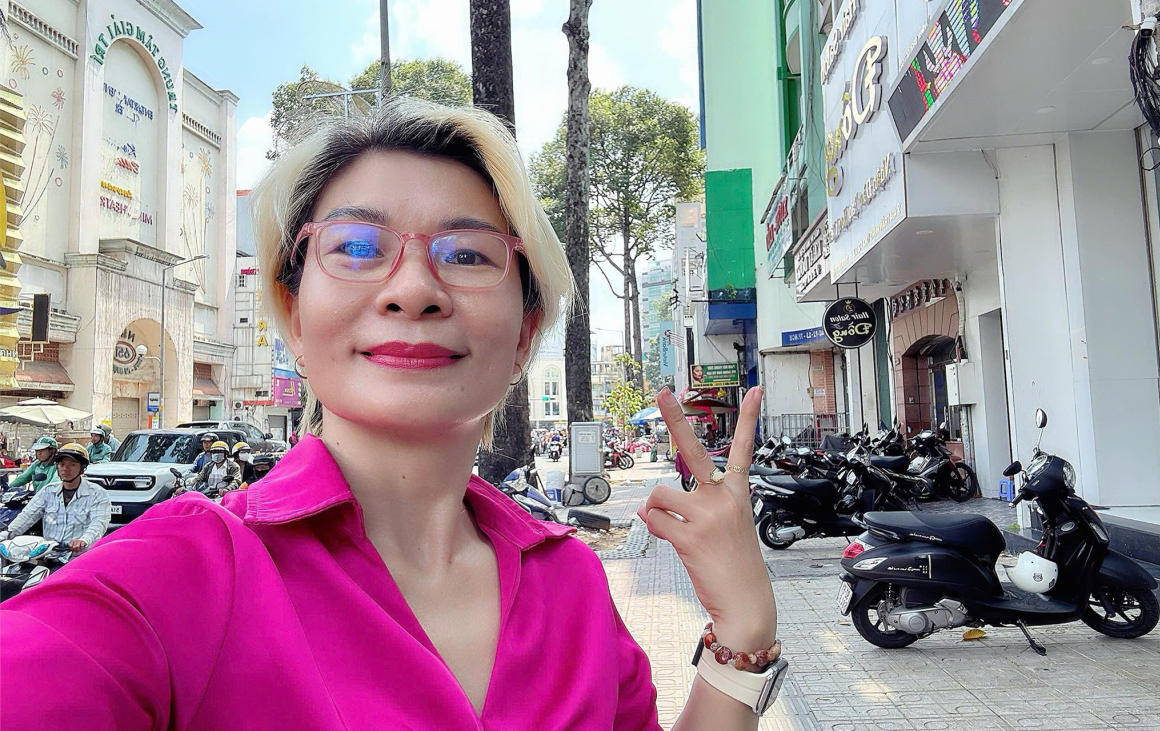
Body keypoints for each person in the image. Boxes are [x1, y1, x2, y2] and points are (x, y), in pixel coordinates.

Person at [0, 100, 780, 729]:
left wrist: (742, 632)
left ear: (525, 334)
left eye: (468, 254)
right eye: (356, 246)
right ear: (292, 312)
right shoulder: (185, 573)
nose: (413, 289)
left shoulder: (571, 582)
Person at [0, 442, 111, 556]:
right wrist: (7, 534)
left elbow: (98, 524)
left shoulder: (97, 494)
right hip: (47, 555)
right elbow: (27, 516)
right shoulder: (48, 491)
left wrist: (83, 540)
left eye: (72, 465)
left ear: (82, 468)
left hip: (78, 557)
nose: (65, 469)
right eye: (62, 464)